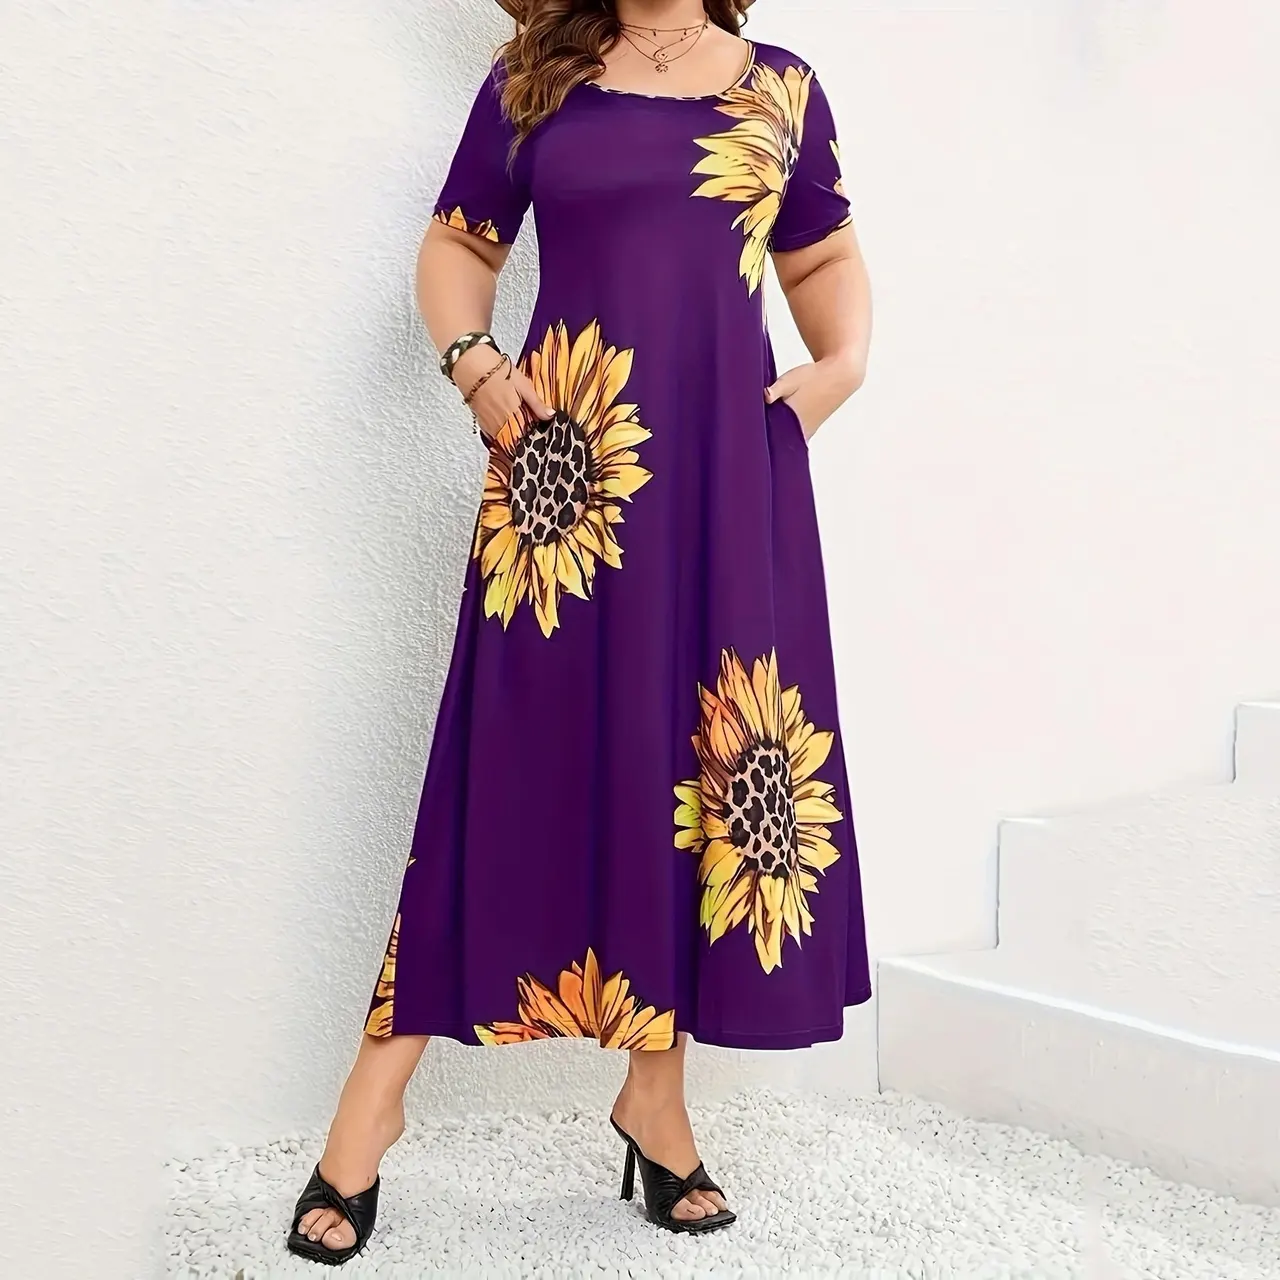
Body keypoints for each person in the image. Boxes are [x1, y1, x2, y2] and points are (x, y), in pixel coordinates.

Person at [287, 0, 873, 1262]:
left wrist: (839, 366)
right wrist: (476, 366)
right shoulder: (536, 75)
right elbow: (459, 240)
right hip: (568, 483)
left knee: (697, 763)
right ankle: (372, 1100)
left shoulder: (780, 87)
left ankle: (655, 1101)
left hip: (725, 481)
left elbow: (820, 254)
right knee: (502, 765)